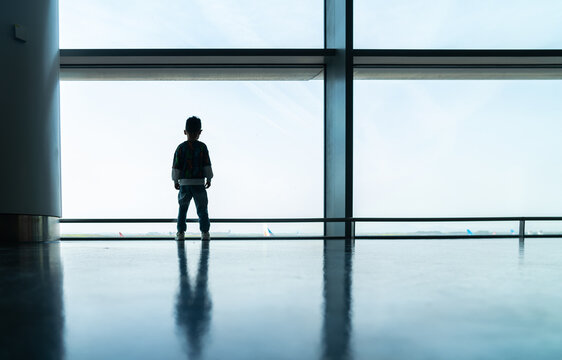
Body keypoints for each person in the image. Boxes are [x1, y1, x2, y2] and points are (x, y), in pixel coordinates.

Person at [172, 116, 213, 241]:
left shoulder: (180, 148)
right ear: (200, 132)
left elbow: (176, 166)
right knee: (202, 209)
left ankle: (180, 233)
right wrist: (209, 178)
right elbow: (207, 164)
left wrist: (175, 180)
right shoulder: (202, 147)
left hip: (184, 184)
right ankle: (205, 233)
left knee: (182, 209)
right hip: (199, 183)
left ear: (185, 131)